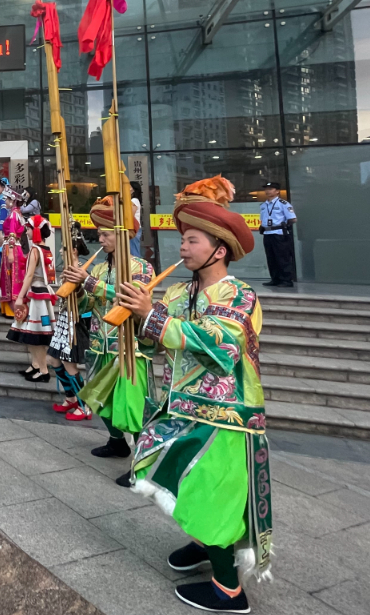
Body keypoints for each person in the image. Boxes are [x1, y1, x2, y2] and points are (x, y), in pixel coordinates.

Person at [115, 176, 271, 613]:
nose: (182, 248)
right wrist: (137, 318)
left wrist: (153, 317)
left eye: (192, 240)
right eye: (182, 239)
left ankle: (229, 592)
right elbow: (161, 342)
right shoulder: (180, 292)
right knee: (182, 484)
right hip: (184, 406)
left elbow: (219, 345)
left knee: (210, 497)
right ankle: (205, 547)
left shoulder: (240, 295)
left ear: (218, 250)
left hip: (226, 417)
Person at [68, 196, 156, 487]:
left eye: (105, 233)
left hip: (128, 349)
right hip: (99, 345)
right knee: (99, 401)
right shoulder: (99, 268)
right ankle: (117, 443)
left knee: (130, 409)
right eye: (99, 232)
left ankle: (141, 467)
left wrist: (87, 282)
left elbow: (128, 300)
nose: (100, 238)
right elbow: (87, 304)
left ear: (122, 234)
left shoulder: (141, 268)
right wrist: (74, 289)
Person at [47, 221, 92, 421]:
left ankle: (84, 405)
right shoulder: (69, 269)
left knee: (68, 362)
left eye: (64, 249)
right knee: (54, 359)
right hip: (65, 318)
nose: (60, 251)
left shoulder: (83, 271)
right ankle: (71, 397)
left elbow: (85, 301)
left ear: (73, 251)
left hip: (76, 320)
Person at [7, 215, 57, 379]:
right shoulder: (46, 249)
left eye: (28, 228)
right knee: (33, 332)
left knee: (35, 334)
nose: (26, 231)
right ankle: (36, 365)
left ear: (35, 231)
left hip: (36, 295)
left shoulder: (36, 250)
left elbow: (29, 276)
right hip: (42, 294)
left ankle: (43, 370)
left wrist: (20, 297)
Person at [260, 181, 296, 288]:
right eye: (266, 189)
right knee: (271, 257)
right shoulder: (263, 205)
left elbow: (293, 219)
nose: (268, 191)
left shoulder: (283, 204)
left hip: (279, 234)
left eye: (270, 189)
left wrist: (284, 226)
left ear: (277, 191)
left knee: (282, 257)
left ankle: (286, 280)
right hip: (267, 233)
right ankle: (275, 279)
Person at [0, 186, 27, 317]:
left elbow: (12, 234)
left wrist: (9, 250)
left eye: (8, 199)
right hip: (15, 247)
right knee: (14, 276)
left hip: (12, 247)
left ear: (13, 200)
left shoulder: (14, 214)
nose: (6, 202)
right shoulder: (17, 213)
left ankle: (14, 308)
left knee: (11, 276)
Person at [129, 181, 144, 258]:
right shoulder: (133, 200)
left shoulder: (134, 200)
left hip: (134, 228)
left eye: (129, 186)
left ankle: (137, 268)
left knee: (134, 252)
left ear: (133, 189)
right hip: (133, 228)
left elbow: (130, 214)